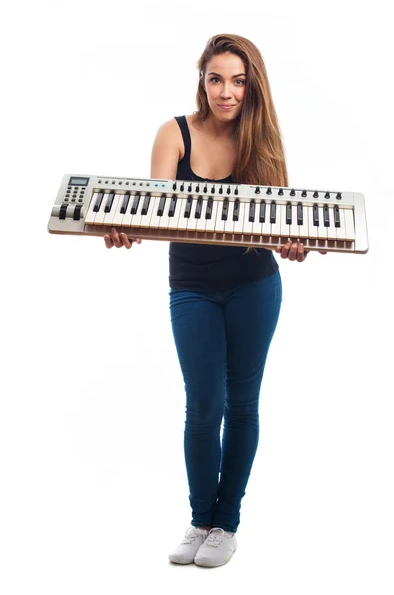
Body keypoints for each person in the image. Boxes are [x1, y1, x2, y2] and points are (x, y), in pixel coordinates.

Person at [103, 34, 326, 568]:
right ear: (202, 80)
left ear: (253, 87)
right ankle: (200, 517)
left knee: (243, 404)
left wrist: (291, 245)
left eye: (239, 81)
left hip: (255, 286)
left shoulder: (261, 139)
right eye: (217, 79)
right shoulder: (174, 133)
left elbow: (278, 223)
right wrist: (125, 229)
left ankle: (226, 523)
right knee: (204, 405)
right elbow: (158, 211)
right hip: (193, 289)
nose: (227, 92)